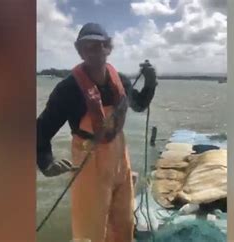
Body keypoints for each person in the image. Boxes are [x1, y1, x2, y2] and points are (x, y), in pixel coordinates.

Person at [36, 22, 157, 242]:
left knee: (124, 222)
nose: (92, 52)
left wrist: (150, 83)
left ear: (108, 48)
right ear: (79, 51)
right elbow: (41, 130)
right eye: (86, 47)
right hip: (88, 160)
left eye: (98, 45)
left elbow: (139, 105)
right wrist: (46, 161)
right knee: (89, 231)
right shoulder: (68, 89)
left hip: (120, 157)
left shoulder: (120, 80)